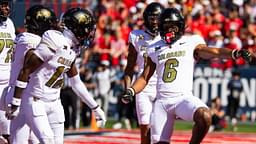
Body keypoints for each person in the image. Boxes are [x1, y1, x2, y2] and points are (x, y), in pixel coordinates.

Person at [121, 8, 252, 144]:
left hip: (182, 99)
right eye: (166, 27)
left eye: (174, 27)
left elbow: (215, 51)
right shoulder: (154, 47)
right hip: (162, 104)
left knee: (205, 116)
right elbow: (144, 77)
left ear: (181, 27)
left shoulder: (191, 42)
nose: (171, 31)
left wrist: (235, 53)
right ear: (161, 28)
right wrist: (131, 91)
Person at [6, 7, 106, 144]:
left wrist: (95, 107)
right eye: (88, 29)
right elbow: (26, 69)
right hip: (36, 99)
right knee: (42, 140)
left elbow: (76, 82)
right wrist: (16, 102)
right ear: (78, 28)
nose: (90, 33)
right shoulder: (54, 40)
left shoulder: (72, 49)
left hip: (55, 102)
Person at [6, 5, 58, 144]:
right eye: (49, 24)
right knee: (26, 140)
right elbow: (30, 66)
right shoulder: (30, 40)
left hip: (22, 92)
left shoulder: (23, 37)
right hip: (22, 94)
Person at [123, 2, 164, 144]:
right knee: (145, 129)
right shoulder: (136, 36)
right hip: (143, 87)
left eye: (158, 18)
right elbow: (129, 67)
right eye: (152, 18)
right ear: (146, 19)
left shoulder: (168, 38)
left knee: (159, 131)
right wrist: (128, 89)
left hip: (162, 86)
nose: (154, 22)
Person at [0, 0, 16, 143]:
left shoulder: (9, 23)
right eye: (3, 5)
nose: (7, 8)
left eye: (7, 5)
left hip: (9, 80)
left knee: (11, 128)